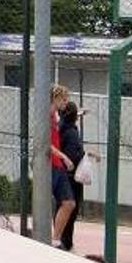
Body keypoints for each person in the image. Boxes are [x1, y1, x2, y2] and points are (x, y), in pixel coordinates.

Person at [57, 101, 96, 251]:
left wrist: (79, 112)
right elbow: (74, 155)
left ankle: (61, 239)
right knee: (71, 209)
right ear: (75, 117)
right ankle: (65, 242)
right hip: (71, 176)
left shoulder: (61, 126)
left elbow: (69, 114)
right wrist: (85, 155)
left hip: (63, 173)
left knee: (63, 207)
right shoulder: (72, 132)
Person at [49, 85, 78, 245]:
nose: (66, 103)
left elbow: (66, 117)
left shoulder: (55, 116)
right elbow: (44, 143)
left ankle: (55, 240)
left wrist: (77, 113)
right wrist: (64, 157)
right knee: (47, 203)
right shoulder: (46, 115)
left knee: (69, 203)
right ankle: (46, 237)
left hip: (57, 165)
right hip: (51, 164)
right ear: (56, 98)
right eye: (64, 100)